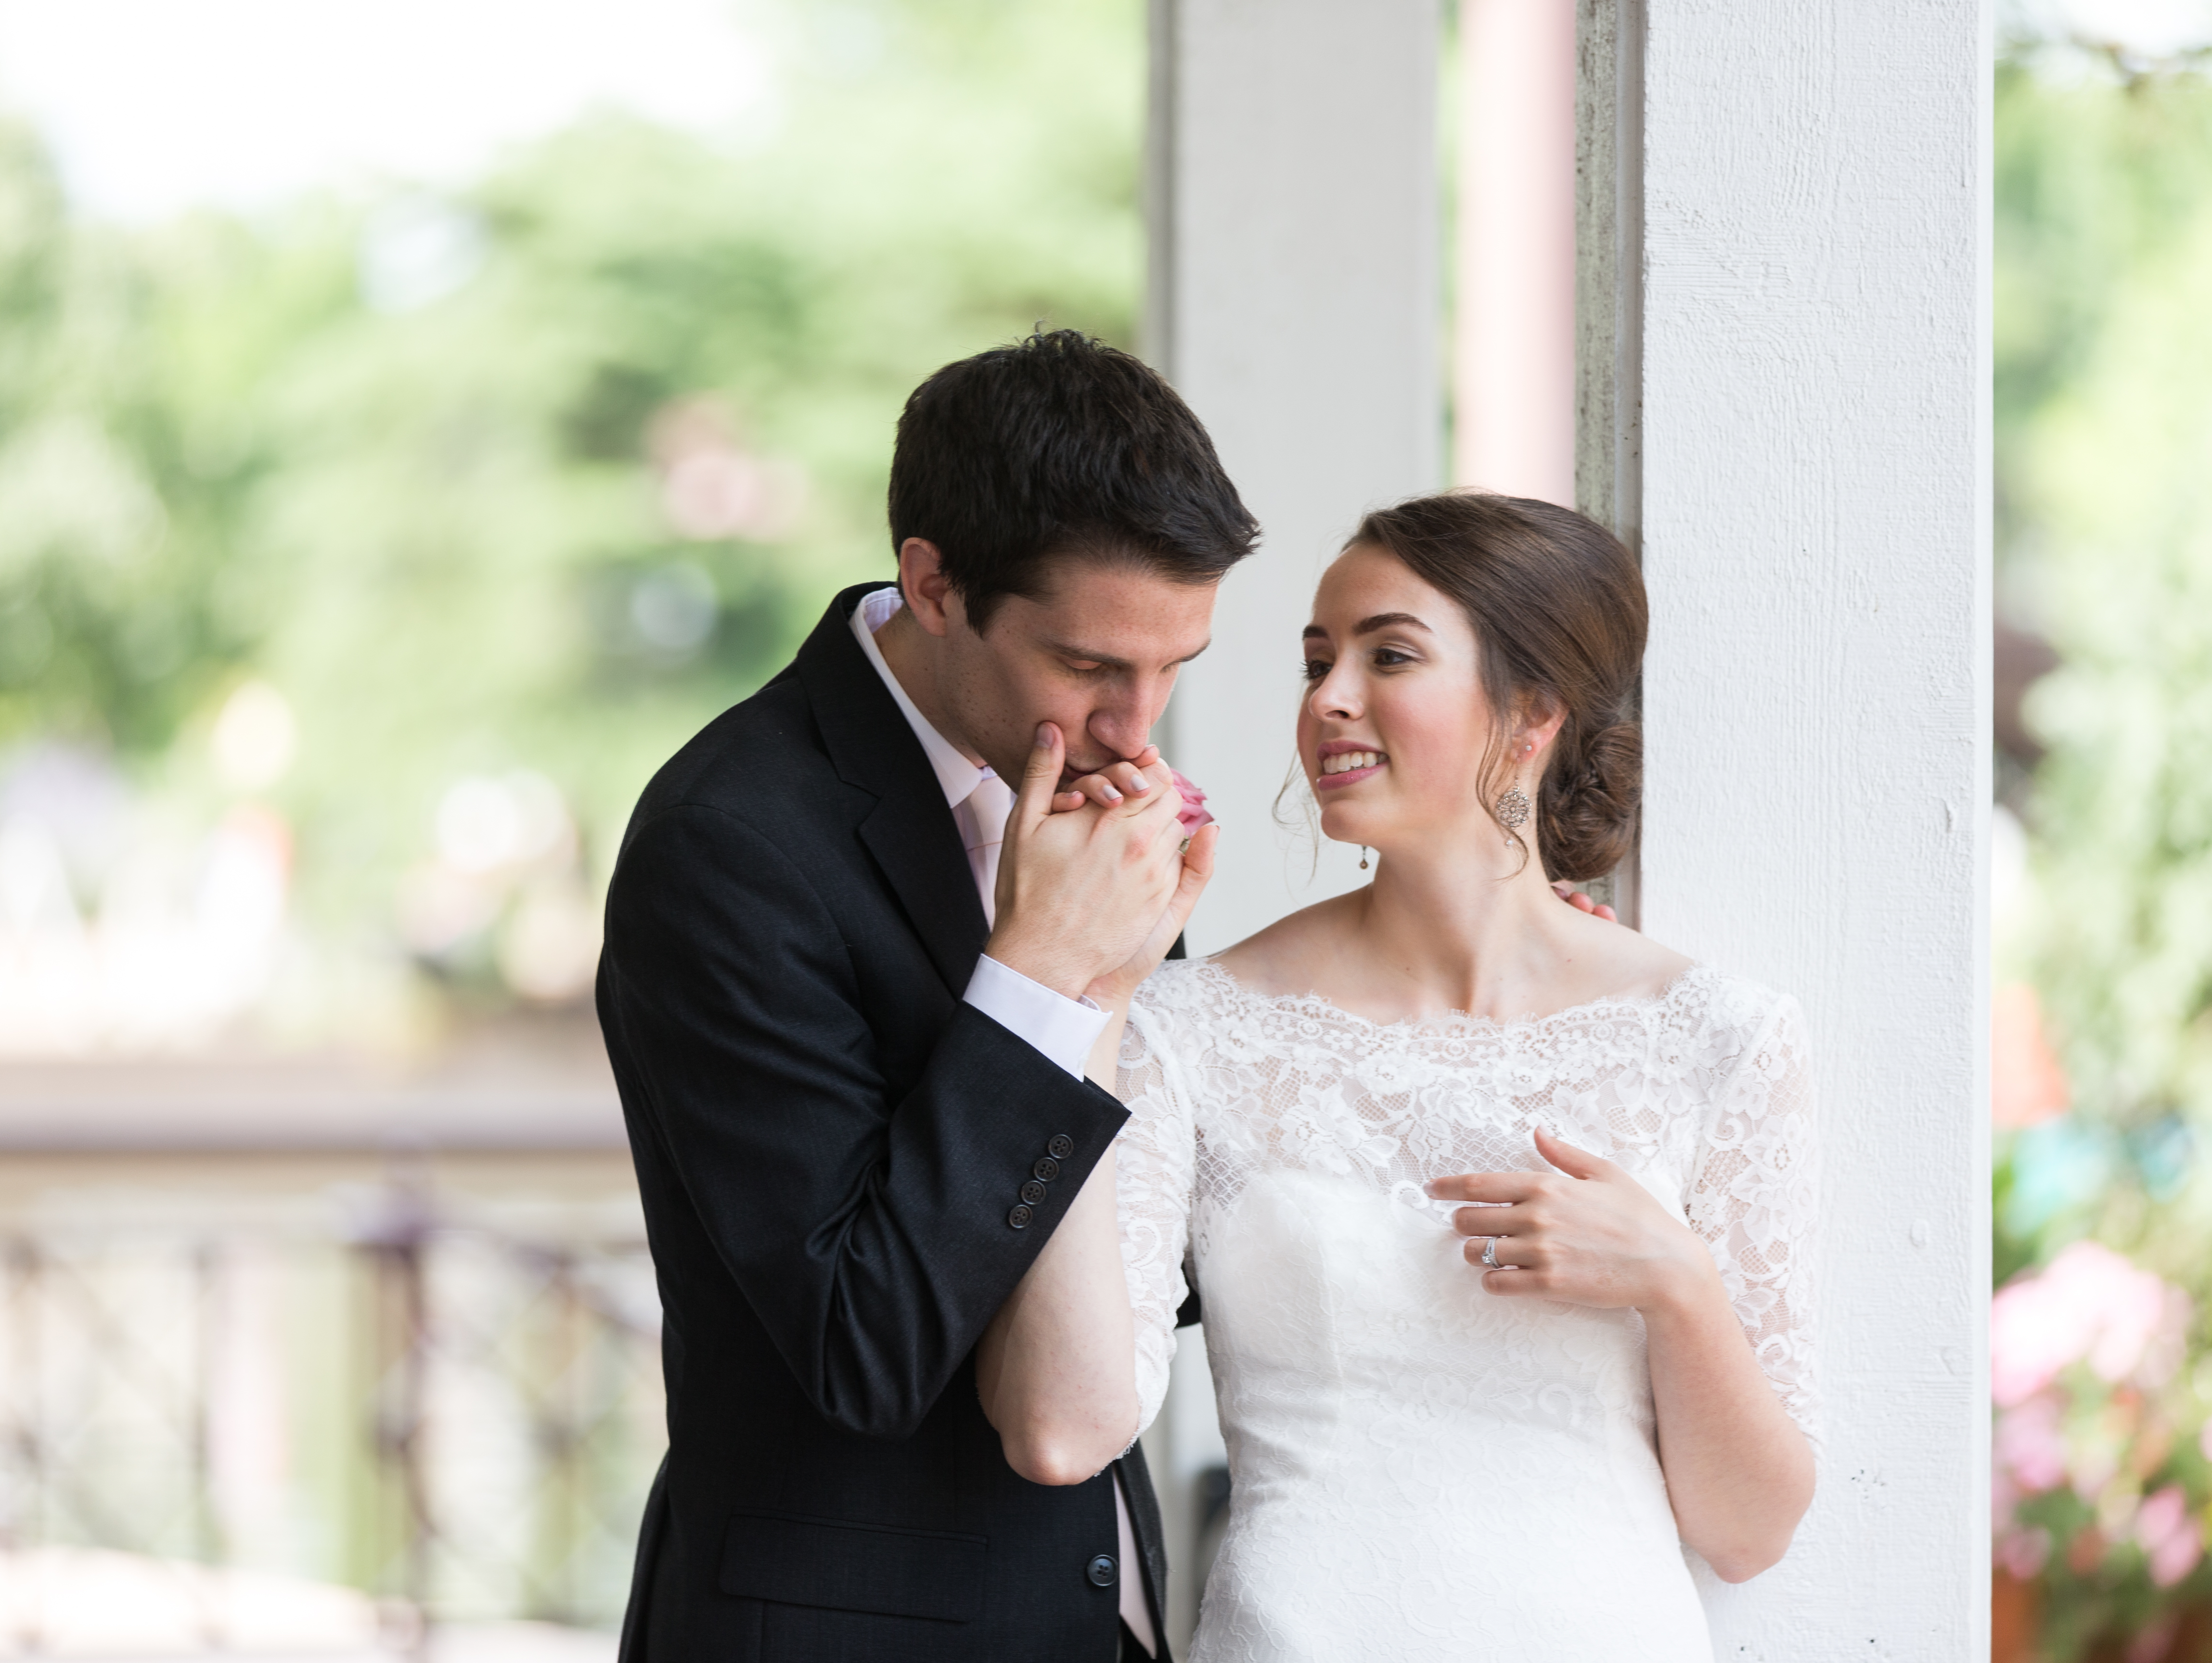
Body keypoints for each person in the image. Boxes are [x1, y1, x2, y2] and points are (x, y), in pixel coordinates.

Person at [976, 492, 1821, 1659]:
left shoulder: (1719, 1039)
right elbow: (1064, 1431)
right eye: (1318, 661)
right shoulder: (1189, 1028)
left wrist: (1674, 1281)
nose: (1328, 698)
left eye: (1391, 655)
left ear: (1533, 711)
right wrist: (1097, 1001)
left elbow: (1749, 1533)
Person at [597, 329, 1249, 1663]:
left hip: (1104, 1613)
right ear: (935, 583)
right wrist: (1040, 982)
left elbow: (1149, 1261)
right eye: (1091, 667)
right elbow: (864, 1345)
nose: (1140, 727)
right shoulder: (727, 844)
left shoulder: (1085, 796)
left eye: (1175, 666)